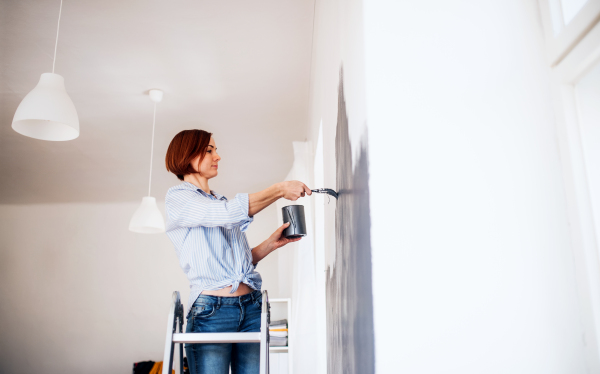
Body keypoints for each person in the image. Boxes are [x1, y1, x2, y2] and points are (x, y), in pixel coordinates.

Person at [164, 129, 311, 374]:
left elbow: (238, 266)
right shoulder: (179, 198)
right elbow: (230, 213)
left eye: (215, 150)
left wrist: (269, 245)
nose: (217, 156)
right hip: (211, 312)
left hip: (251, 307)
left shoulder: (219, 201)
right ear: (187, 156)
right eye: (209, 150)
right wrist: (279, 189)